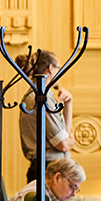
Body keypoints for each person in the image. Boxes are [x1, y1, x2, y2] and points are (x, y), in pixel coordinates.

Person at [17, 50, 74, 182]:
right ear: (50, 68)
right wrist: (72, 141)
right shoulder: (41, 98)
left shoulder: (41, 95)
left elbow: (65, 134)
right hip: (49, 170)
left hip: (47, 168)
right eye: (59, 69)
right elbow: (63, 144)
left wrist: (68, 104)